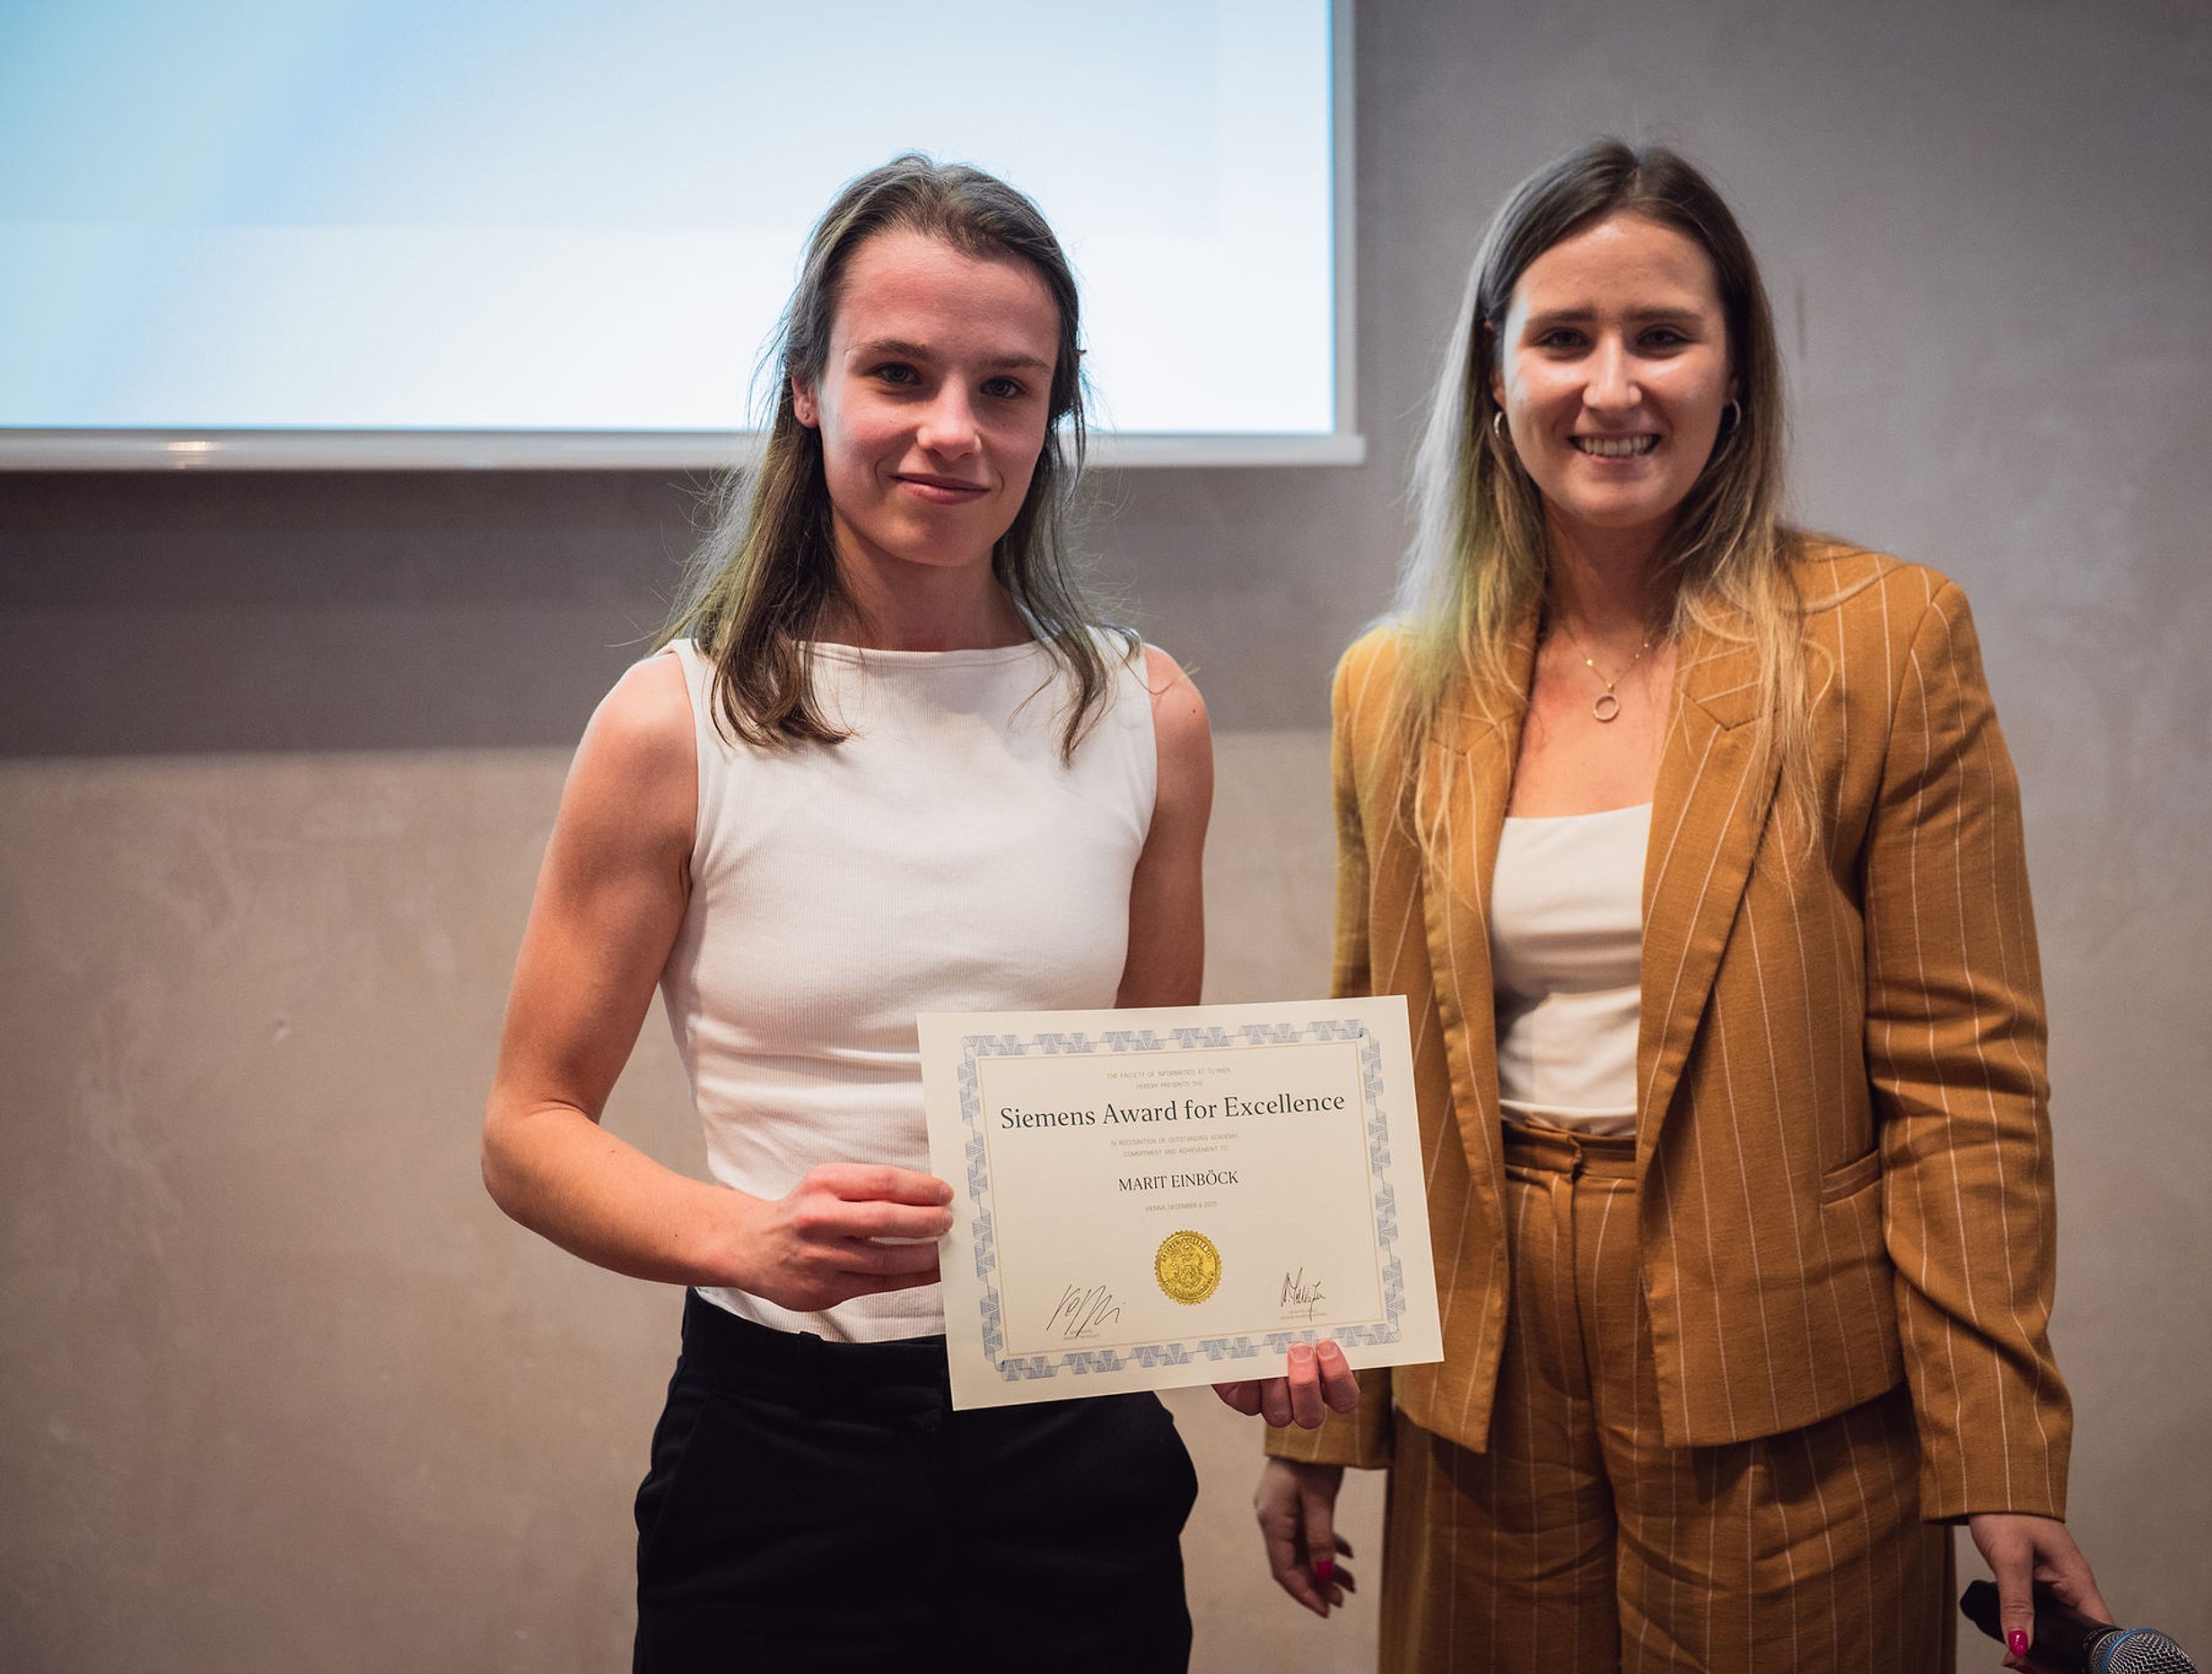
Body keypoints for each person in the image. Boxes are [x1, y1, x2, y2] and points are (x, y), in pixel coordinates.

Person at [1254, 140, 2111, 1673]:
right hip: (1482, 1374)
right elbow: (1366, 1073)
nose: (1613, 387)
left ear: (1736, 372)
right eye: (1564, 338)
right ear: (1495, 378)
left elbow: (1964, 1082)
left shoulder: (1886, 640)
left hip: (1786, 1382)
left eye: (1661, 334)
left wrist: (2000, 1447)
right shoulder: (1392, 685)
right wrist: (1321, 1426)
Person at [479, 154, 1337, 1673]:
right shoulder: (674, 723)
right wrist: (750, 1239)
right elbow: (527, 1128)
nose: (955, 429)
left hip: (1073, 1446)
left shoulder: (1146, 714)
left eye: (1007, 388)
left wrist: (1228, 1319)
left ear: (1054, 416)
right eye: (899, 373)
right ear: (808, 387)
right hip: (781, 1450)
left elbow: (1148, 1129)